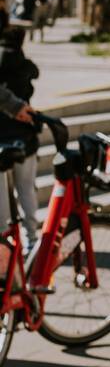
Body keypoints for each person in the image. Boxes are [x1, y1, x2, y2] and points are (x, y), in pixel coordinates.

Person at [0, 25, 40, 251]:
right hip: (24, 137)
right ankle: (31, 241)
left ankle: (5, 251)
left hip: (3, 139)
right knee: (26, 190)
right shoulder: (23, 64)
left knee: (2, 206)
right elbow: (35, 72)